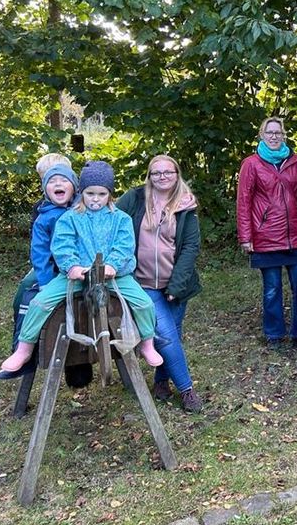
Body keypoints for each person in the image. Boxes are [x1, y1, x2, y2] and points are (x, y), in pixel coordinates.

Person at [0, 161, 162, 374]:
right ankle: (24, 348)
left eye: (101, 194)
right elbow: (62, 245)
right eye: (90, 193)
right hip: (77, 276)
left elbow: (124, 245)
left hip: (115, 276)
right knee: (39, 303)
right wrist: (71, 266)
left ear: (110, 195)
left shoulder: (120, 219)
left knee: (144, 303)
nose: (95, 199)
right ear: (81, 192)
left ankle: (148, 343)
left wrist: (112, 265)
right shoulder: (69, 218)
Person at [116, 155, 203, 412]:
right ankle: (187, 391)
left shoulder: (186, 205)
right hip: (141, 283)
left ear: (177, 174)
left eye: (168, 172)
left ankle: (162, 381)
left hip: (176, 284)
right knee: (165, 335)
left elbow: (189, 248)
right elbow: (111, 221)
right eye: (156, 173)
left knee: (172, 334)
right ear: (149, 176)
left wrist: (175, 287)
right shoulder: (135, 198)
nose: (162, 177)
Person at [237, 117, 297, 350]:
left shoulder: (295, 162)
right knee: (272, 289)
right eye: (269, 132)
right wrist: (246, 236)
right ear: (262, 135)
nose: (274, 136)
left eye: (278, 132)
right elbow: (244, 202)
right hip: (266, 236)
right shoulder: (251, 164)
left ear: (284, 135)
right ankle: (274, 334)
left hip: (296, 236)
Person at [0, 163, 79, 379]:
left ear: (75, 187)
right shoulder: (45, 216)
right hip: (53, 271)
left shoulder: (84, 208)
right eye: (51, 181)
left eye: (63, 180)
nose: (58, 184)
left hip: (81, 270)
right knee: (29, 298)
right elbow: (40, 254)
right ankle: (23, 353)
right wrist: (45, 282)